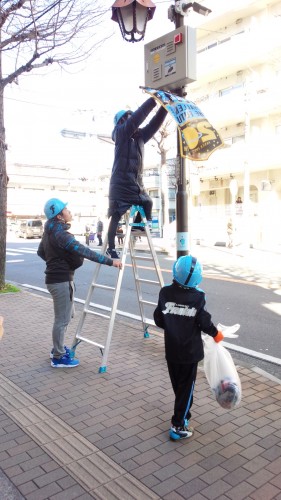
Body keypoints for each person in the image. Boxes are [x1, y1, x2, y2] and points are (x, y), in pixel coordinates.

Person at [37, 198, 122, 368]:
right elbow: (85, 251)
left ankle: (58, 349)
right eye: (66, 210)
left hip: (56, 280)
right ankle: (58, 356)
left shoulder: (50, 232)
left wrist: (57, 261)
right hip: (60, 281)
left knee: (66, 316)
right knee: (62, 319)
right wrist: (110, 262)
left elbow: (41, 252)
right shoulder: (61, 234)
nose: (70, 212)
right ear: (60, 216)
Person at [153, 255, 224, 441]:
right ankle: (178, 425)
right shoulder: (198, 297)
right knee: (186, 389)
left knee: (179, 386)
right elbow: (204, 322)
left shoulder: (165, 293)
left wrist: (173, 323)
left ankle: (182, 413)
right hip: (190, 353)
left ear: (175, 272)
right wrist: (216, 334)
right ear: (197, 279)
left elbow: (159, 319)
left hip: (172, 351)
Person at [106, 97, 167, 259]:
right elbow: (136, 119)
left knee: (148, 202)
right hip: (119, 185)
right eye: (127, 117)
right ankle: (110, 247)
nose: (131, 120)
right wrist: (154, 100)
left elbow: (154, 124)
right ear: (122, 121)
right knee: (116, 214)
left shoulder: (139, 137)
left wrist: (165, 107)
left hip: (135, 184)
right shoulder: (120, 134)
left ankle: (136, 228)